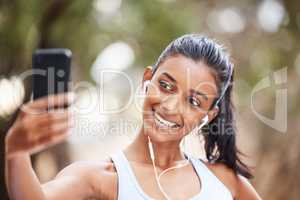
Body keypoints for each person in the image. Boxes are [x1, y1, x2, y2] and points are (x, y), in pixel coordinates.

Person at [5, 34, 262, 200]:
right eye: (166, 85)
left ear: (209, 115)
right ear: (146, 80)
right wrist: (16, 153)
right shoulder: (99, 178)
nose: (170, 106)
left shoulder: (223, 181)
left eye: (193, 101)